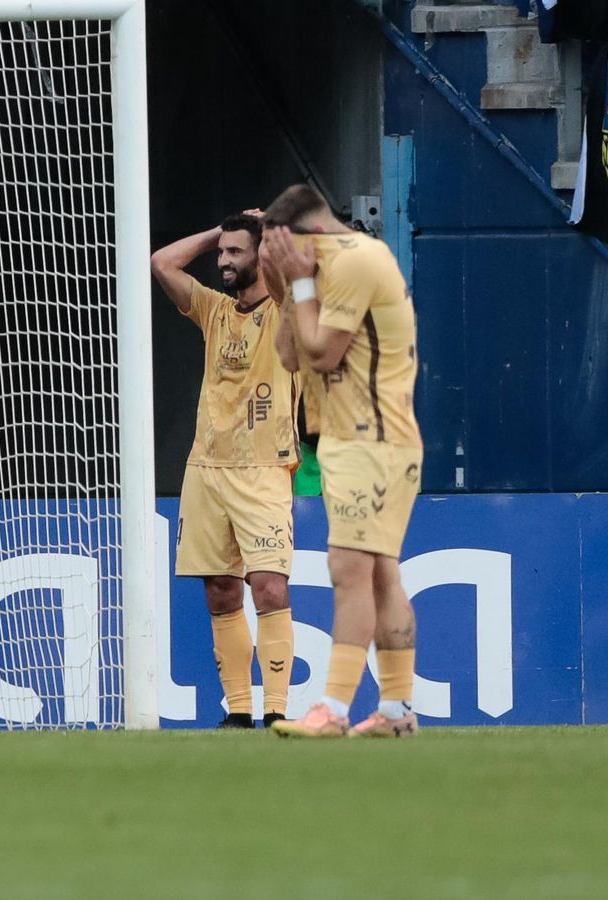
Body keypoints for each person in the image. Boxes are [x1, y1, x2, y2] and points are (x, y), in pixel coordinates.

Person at [259, 184, 424, 739]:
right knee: (379, 573)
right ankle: (399, 712)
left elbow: (324, 351)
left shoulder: (355, 260)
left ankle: (332, 708)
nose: (272, 261)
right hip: (351, 440)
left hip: (372, 438)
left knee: (347, 568)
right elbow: (290, 355)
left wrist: (302, 280)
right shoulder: (322, 273)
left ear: (308, 237)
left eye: (277, 250)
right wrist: (289, 286)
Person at [150, 211, 300, 729]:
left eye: (236, 252)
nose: (224, 261)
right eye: (221, 253)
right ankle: (238, 711)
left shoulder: (286, 308)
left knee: (270, 585)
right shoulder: (214, 310)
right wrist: (220, 230)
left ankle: (277, 709)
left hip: (262, 467)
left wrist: (270, 232)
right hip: (207, 467)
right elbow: (162, 262)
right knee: (220, 588)